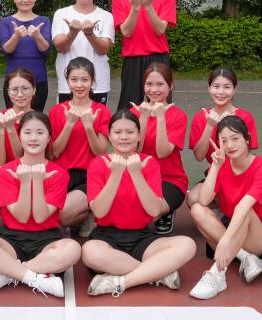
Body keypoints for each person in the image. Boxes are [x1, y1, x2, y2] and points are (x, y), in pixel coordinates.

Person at [82, 110, 196, 297]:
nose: (124, 137)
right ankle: (158, 273)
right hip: (107, 238)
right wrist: (116, 174)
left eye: (130, 132)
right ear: (109, 135)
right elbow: (99, 212)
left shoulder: (149, 163)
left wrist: (136, 173)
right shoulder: (99, 164)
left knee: (187, 245)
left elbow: (154, 210)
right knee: (89, 252)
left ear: (139, 135)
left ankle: (122, 281)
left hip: (142, 238)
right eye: (118, 132)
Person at [0, 111, 82, 298]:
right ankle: (36, 278)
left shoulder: (59, 173)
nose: (33, 138)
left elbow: (40, 217)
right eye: (27, 132)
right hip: (11, 240)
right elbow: (21, 217)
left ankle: (10, 273)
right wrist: (25, 181)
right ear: (20, 137)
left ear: (49, 138)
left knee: (73, 249)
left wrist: (35, 181)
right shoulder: (6, 171)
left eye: (40, 132)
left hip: (47, 241)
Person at [188, 116, 262, 299]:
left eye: (235, 138)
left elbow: (243, 207)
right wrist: (215, 167)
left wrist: (224, 241)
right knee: (197, 209)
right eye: (223, 141)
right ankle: (244, 257)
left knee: (245, 211)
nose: (229, 145)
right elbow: (204, 200)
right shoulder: (222, 164)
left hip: (258, 232)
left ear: (247, 139)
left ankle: (217, 274)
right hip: (232, 225)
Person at [47, 57, 110, 234]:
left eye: (84, 80)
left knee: (61, 215)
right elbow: (54, 152)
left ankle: (89, 213)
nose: (79, 85)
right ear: (67, 81)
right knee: (45, 215)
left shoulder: (102, 111)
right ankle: (82, 214)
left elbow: (100, 152)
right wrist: (69, 124)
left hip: (91, 175)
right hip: (62, 174)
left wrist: (89, 126)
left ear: (92, 81)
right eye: (74, 79)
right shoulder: (57, 111)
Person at [112, 0, 176, 111]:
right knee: (129, 110)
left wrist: (148, 7)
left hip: (159, 58)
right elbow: (126, 32)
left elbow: (160, 29)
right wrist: (135, 8)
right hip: (132, 60)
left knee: (161, 107)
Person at [186, 66, 258, 208]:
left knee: (244, 200)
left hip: (240, 174)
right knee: (193, 199)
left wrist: (229, 128)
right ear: (209, 88)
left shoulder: (244, 117)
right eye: (216, 86)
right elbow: (199, 156)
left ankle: (229, 212)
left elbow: (248, 156)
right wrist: (210, 126)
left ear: (234, 89)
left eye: (227, 87)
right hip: (215, 173)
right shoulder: (201, 117)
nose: (221, 92)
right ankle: (223, 211)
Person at [0, 68, 37, 229]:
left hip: (31, 172)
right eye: (14, 89)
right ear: (8, 92)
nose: (20, 94)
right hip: (3, 173)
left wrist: (11, 129)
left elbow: (23, 160)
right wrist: (1, 129)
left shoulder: (39, 121)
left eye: (25, 88)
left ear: (34, 90)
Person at [131, 62, 187, 234]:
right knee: (127, 213)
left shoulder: (178, 116)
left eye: (160, 84)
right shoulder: (134, 113)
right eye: (149, 84)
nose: (154, 89)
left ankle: (166, 210)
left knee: (145, 215)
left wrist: (161, 118)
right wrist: (143, 118)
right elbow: (135, 151)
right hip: (140, 178)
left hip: (169, 180)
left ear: (170, 86)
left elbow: (162, 153)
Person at [52, 0, 114, 106]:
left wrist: (89, 33)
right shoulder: (61, 14)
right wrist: (72, 33)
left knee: (98, 119)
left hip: (98, 85)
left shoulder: (106, 16)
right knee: (67, 119)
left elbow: (103, 49)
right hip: (68, 85)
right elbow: (59, 47)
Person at [0, 0, 51, 111]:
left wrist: (37, 36)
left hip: (38, 81)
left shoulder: (44, 21)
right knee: (13, 118)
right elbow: (6, 50)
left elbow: (45, 49)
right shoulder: (6, 21)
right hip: (13, 82)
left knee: (35, 118)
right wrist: (16, 36)